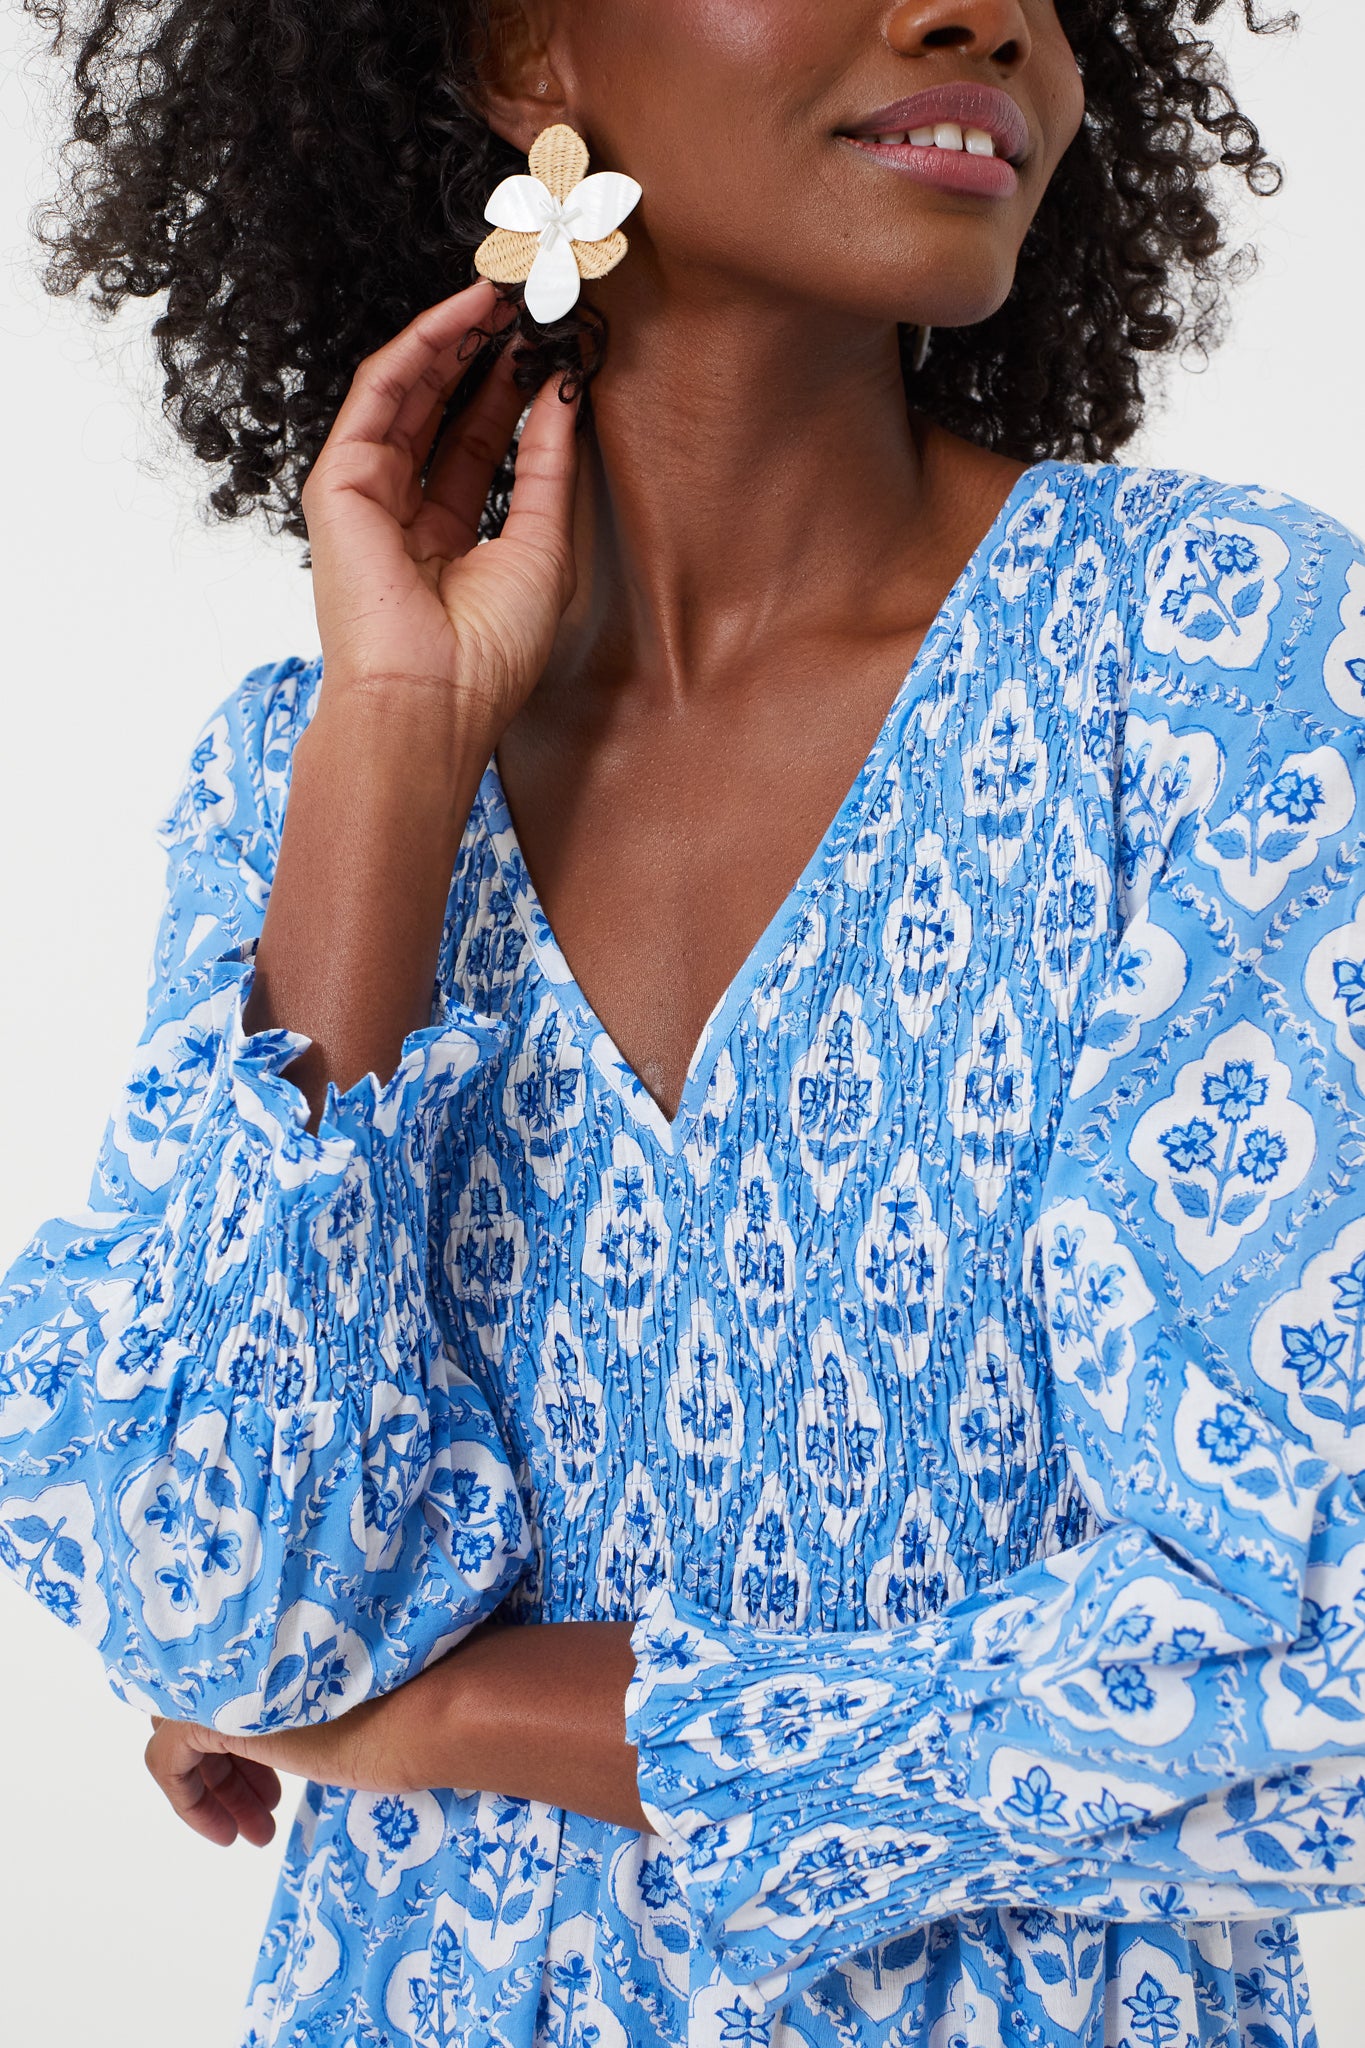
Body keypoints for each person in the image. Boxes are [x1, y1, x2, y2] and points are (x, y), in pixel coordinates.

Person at [4, 0, 1365, 2041]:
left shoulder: (1208, 669)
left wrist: (453, 1711)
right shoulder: (303, 783)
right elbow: (217, 1603)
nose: (983, 15)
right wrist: (392, 746)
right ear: (523, 55)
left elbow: (1313, 1655)